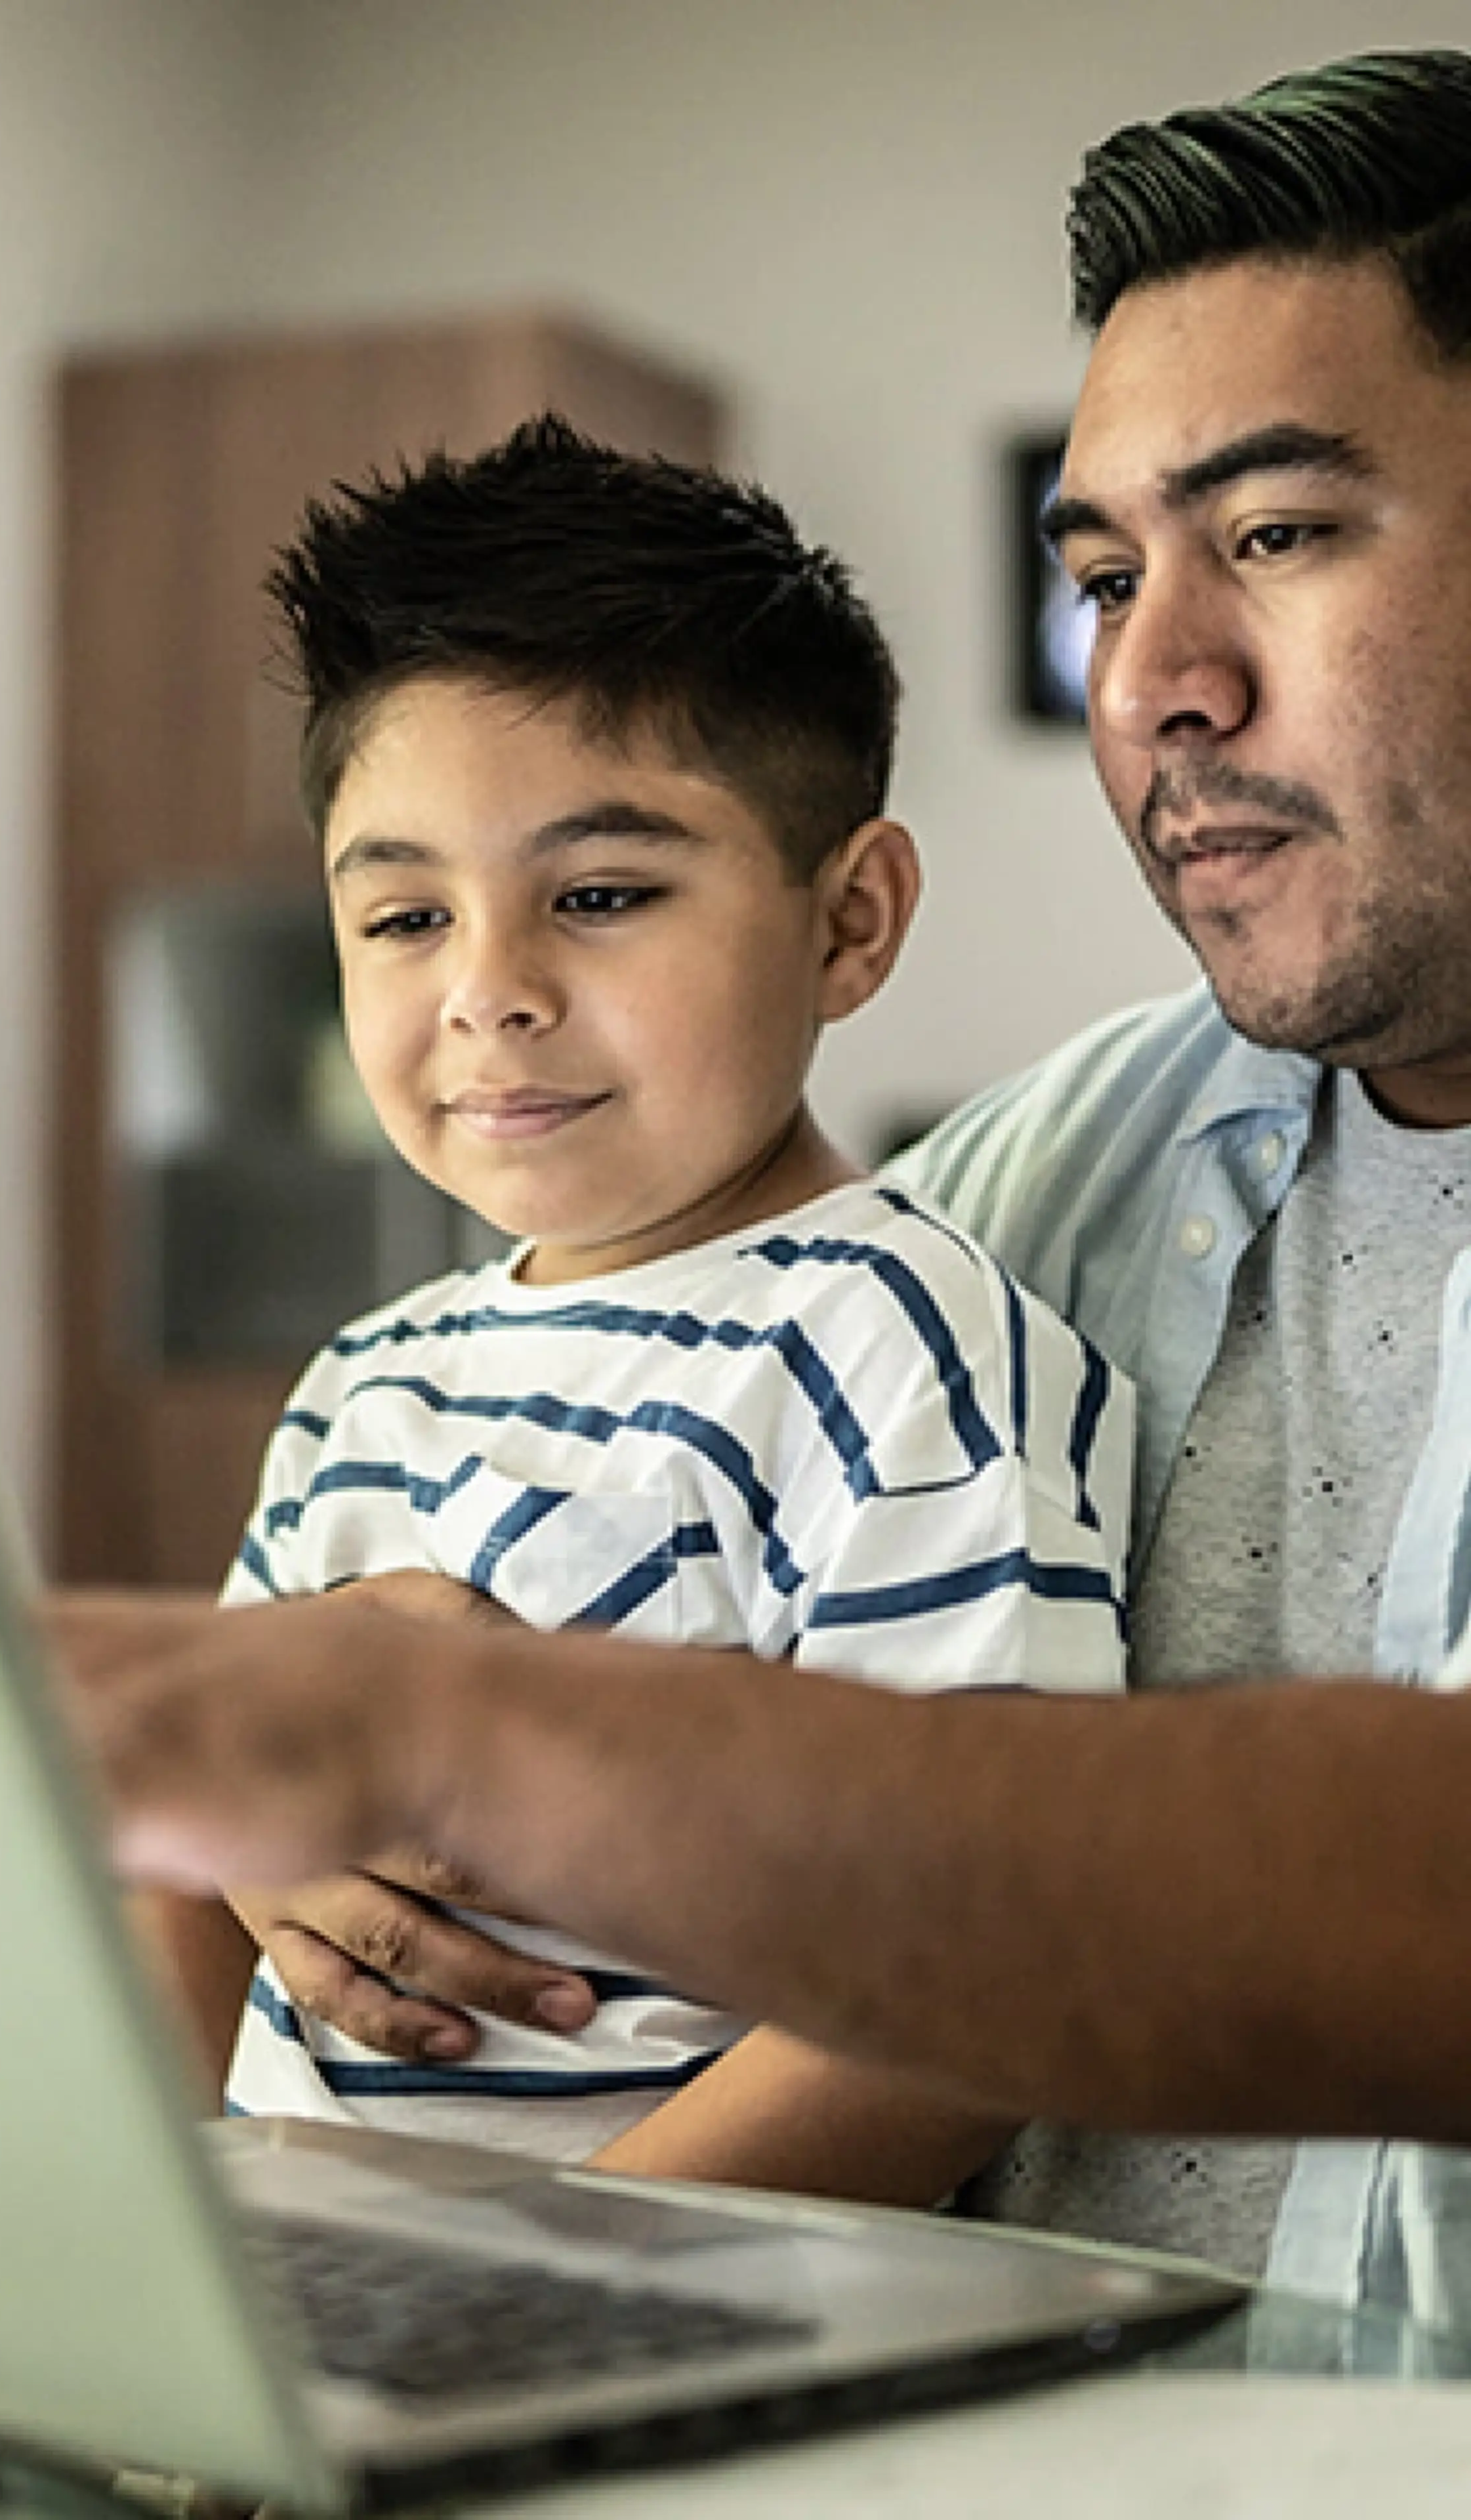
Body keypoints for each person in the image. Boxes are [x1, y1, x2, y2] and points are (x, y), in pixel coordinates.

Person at [55, 45, 1471, 2337]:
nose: (1161, 683)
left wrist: (485, 1765)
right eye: (1107, 575)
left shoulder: (927, 1332)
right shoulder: (1070, 1167)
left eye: (1283, 534)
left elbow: (1007, 1976)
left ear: (846, 919)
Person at [166, 425, 1130, 2210]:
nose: (489, 996)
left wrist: (563, 2292)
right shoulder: (363, 1387)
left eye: (599, 897)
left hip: (671, 2365)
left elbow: (976, 1994)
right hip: (314, 2315)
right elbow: (217, 1816)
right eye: (400, 916)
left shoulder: (892, 1353)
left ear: (849, 921)